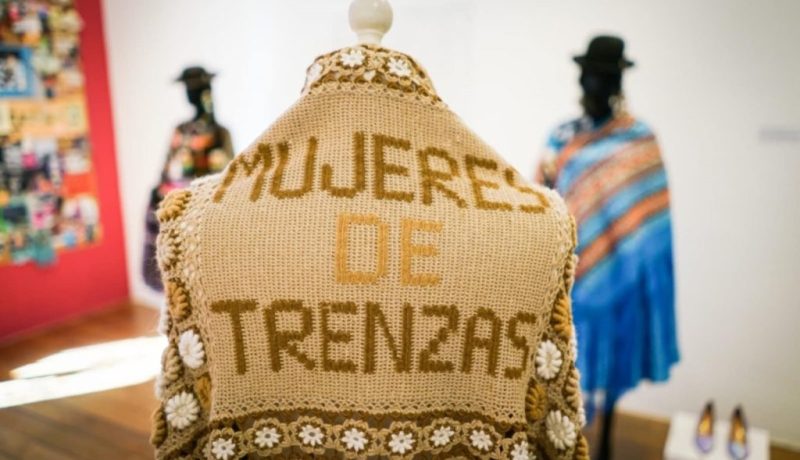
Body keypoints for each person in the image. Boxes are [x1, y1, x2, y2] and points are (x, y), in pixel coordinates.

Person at [536, 35, 679, 459]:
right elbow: (542, 199)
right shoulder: (562, 137)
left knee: (612, 361)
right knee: (563, 364)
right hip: (571, 276)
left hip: (620, 276)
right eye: (588, 76)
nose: (593, 84)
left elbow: (652, 222)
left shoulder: (640, 140)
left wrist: (636, 269)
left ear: (617, 81)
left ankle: (605, 442)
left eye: (603, 77)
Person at [142, 66, 233, 290]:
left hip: (205, 212)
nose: (190, 95)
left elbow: (230, 174)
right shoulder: (180, 130)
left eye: (194, 90)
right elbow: (167, 167)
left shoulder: (219, 132)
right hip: (175, 207)